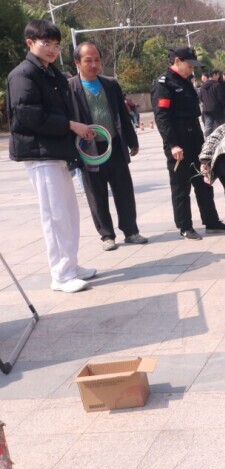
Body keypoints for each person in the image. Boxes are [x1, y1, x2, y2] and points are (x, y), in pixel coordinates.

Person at [6, 20, 97, 293]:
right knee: (55, 216)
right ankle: (61, 275)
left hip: (56, 151)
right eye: (46, 43)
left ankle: (71, 265)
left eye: (56, 45)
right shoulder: (23, 75)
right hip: (39, 154)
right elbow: (29, 115)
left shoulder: (51, 73)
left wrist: (77, 126)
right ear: (30, 43)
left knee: (68, 213)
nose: (52, 50)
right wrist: (70, 125)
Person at [68, 41, 148, 251]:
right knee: (96, 195)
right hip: (89, 151)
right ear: (77, 62)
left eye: (97, 60)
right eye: (88, 60)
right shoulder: (70, 88)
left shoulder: (110, 84)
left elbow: (122, 113)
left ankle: (131, 231)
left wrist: (132, 140)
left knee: (124, 191)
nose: (94, 65)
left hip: (114, 146)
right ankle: (106, 235)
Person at [152, 47, 225, 240]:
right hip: (178, 142)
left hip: (195, 138)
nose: (191, 69)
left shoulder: (185, 81)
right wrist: (173, 144)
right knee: (181, 186)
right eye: (189, 65)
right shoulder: (164, 84)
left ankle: (211, 220)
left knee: (203, 181)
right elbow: (162, 118)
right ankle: (185, 226)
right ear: (177, 61)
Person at [199, 69, 225, 136]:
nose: (218, 76)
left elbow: (201, 98)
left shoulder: (202, 86)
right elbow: (221, 98)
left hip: (206, 109)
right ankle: (221, 138)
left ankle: (207, 139)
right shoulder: (217, 85)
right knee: (222, 126)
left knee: (208, 127)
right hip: (217, 109)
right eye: (218, 75)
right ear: (214, 75)